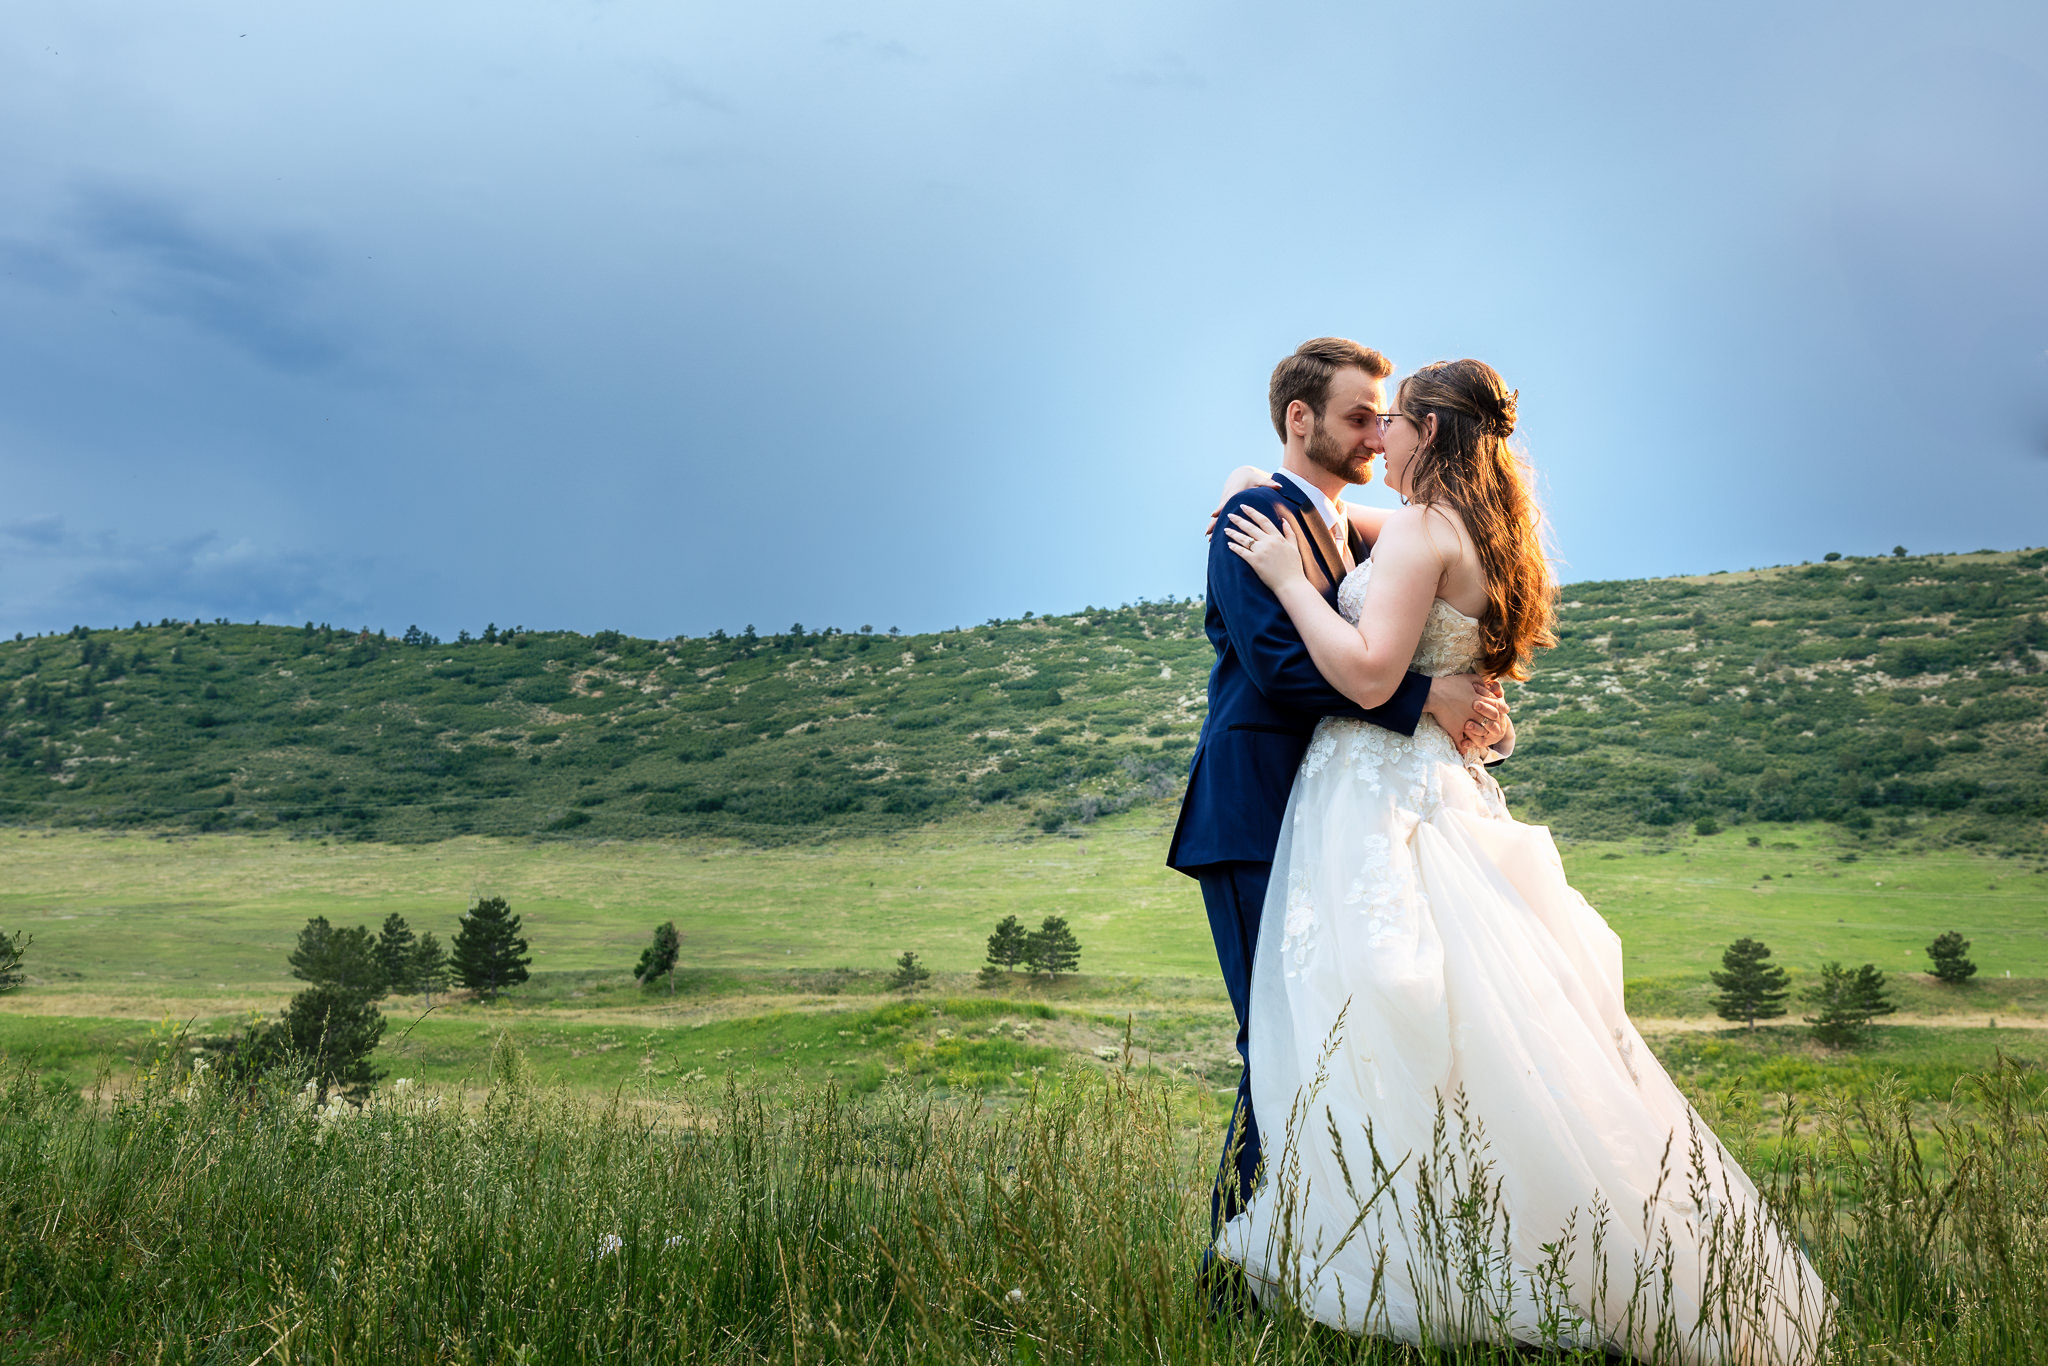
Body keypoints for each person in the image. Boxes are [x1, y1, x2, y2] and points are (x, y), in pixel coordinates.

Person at [1213, 358, 1829, 1362]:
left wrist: (1285, 579)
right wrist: (1253, 481)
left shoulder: (1418, 528)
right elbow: (1345, 528)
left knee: (1378, 1017)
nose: (1379, 441)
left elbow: (1370, 671)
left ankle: (1410, 1266)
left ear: (1425, 433)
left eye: (1392, 424)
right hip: (1437, 792)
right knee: (1477, 1033)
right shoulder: (1488, 531)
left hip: (1374, 796)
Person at [1167, 337, 1512, 1279]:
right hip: (1254, 812)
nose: (1373, 433)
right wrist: (1422, 701)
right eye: (1360, 415)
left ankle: (1335, 1262)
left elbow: (1362, 555)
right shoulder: (1256, 520)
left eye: (1383, 418)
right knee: (1272, 1043)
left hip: (1339, 820)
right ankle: (1236, 1267)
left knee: (1337, 1034)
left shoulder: (1345, 522)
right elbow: (1282, 669)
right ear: (1299, 420)